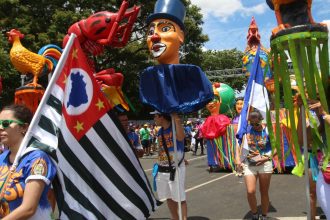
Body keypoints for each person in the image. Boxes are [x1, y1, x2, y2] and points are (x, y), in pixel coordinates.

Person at [0, 104, 56, 219]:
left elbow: (28, 208)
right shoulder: (2, 158)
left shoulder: (37, 159)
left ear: (24, 127)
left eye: (5, 124)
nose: (0, 127)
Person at [236, 110, 274, 220]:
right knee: (250, 191)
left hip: (265, 163)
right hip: (249, 163)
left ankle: (264, 215)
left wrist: (267, 157)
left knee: (264, 191)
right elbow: (238, 143)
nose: (254, 126)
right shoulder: (246, 129)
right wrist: (238, 159)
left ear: (261, 120)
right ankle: (254, 214)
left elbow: (277, 147)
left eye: (256, 123)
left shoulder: (268, 130)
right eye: (251, 124)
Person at [151, 110, 187, 220]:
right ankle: (175, 218)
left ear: (161, 116)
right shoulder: (160, 131)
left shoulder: (175, 128)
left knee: (179, 197)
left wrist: (175, 116)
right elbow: (161, 149)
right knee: (168, 197)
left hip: (175, 168)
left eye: (155, 116)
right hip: (163, 167)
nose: (154, 119)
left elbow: (181, 137)